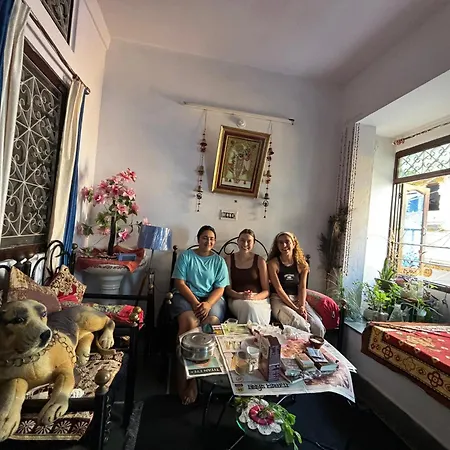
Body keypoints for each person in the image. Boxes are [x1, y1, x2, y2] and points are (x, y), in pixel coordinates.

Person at [171, 225, 228, 404]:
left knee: (210, 325)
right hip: (187, 296)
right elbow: (179, 283)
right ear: (198, 239)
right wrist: (196, 303)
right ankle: (184, 377)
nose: (208, 241)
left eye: (211, 239)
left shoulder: (219, 261)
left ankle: (199, 377)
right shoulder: (186, 256)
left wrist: (208, 304)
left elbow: (220, 288)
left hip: (211, 299)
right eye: (205, 237)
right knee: (189, 324)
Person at [267, 231, 325, 337]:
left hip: (297, 298)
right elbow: (278, 289)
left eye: (287, 242)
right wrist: (295, 308)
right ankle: (302, 347)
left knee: (318, 328)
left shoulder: (302, 265)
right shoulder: (273, 264)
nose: (284, 245)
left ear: (294, 244)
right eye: (280, 242)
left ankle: (315, 348)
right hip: (279, 299)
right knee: (301, 325)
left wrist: (301, 306)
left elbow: (302, 287)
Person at [225, 229, 271, 325]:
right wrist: (241, 296)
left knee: (253, 307)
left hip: (258, 298)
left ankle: (259, 331)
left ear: (253, 243)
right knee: (249, 307)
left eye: (249, 241)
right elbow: (228, 290)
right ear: (237, 241)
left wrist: (253, 297)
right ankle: (252, 332)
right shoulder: (228, 260)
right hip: (236, 298)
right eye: (242, 240)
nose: (245, 244)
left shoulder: (260, 261)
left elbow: (266, 291)